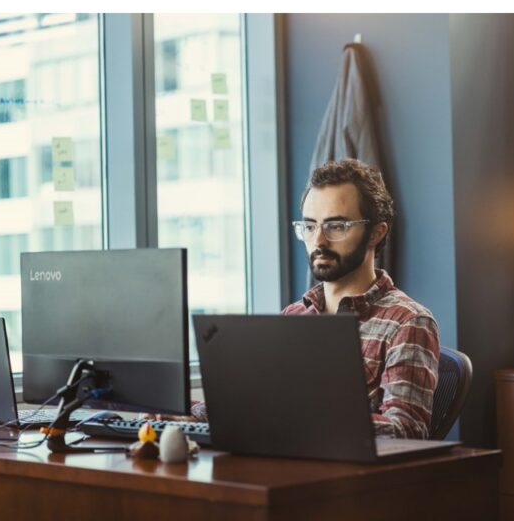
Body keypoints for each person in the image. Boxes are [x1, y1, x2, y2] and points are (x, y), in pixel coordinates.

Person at [154, 159, 441, 439]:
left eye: (336, 226)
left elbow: (407, 429)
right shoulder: (294, 315)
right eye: (310, 226)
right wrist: (186, 412)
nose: (318, 241)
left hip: (349, 471)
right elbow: (259, 403)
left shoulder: (408, 322)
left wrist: (301, 415)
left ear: (376, 233)